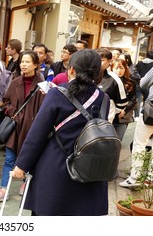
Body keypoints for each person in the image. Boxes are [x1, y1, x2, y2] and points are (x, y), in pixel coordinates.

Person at [13, 49, 109, 216]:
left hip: (55, 166)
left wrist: (22, 164)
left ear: (71, 69)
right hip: (89, 169)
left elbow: (38, 132)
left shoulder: (58, 93)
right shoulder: (103, 97)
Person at [0, 51, 45, 202]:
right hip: (15, 127)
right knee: (9, 159)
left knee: (29, 158)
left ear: (36, 64)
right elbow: (5, 101)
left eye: (27, 62)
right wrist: (12, 111)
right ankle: (3, 189)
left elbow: (48, 108)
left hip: (33, 129)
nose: (23, 64)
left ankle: (24, 183)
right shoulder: (15, 82)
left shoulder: (43, 85)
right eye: (22, 61)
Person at [119, 65, 153, 188]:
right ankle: (150, 179)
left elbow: (143, 83)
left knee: (140, 144)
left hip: (151, 111)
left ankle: (135, 178)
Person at [97, 48, 128, 123]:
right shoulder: (86, 75)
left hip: (103, 122)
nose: (97, 62)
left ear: (110, 61)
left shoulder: (115, 79)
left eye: (101, 60)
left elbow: (122, 104)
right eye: (96, 59)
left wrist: (109, 112)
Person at [110, 58, 137, 141]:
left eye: (122, 68)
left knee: (117, 140)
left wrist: (125, 110)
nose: (119, 71)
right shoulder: (108, 81)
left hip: (123, 117)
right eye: (116, 68)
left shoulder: (131, 82)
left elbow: (133, 99)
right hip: (109, 116)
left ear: (125, 69)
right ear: (111, 69)